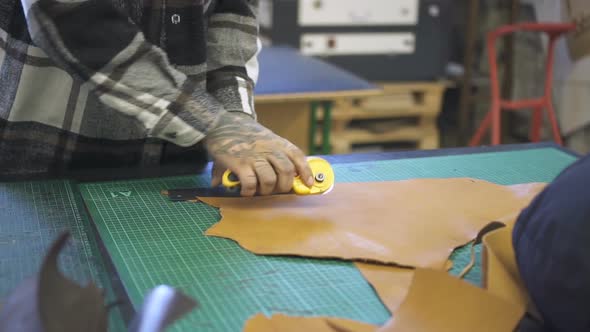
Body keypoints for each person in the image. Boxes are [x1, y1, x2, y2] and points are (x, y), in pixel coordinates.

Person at [0, 0, 314, 196]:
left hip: (175, 162)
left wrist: (236, 119)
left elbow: (232, 15)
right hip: (47, 163)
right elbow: (70, 14)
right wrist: (213, 124)